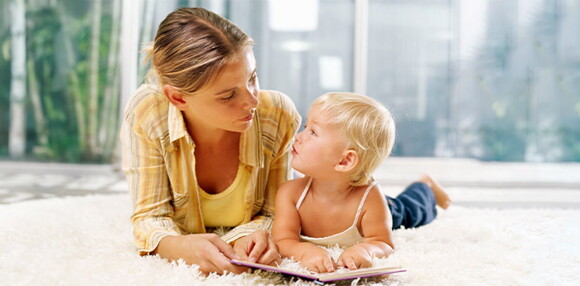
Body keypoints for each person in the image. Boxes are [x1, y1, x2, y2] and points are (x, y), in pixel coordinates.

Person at [120, 7, 301, 275]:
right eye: (228, 96)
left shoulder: (276, 114)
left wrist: (247, 239)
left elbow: (277, 211)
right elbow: (150, 216)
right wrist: (178, 246)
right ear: (178, 99)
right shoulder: (148, 113)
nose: (252, 101)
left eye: (252, 78)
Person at [272, 92, 451, 273]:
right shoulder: (290, 193)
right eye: (305, 127)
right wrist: (303, 251)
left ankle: (425, 187)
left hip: (385, 209)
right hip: (352, 192)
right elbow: (283, 240)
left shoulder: (371, 199)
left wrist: (364, 250)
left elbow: (383, 242)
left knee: (410, 211)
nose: (298, 136)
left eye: (312, 132)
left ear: (345, 161)